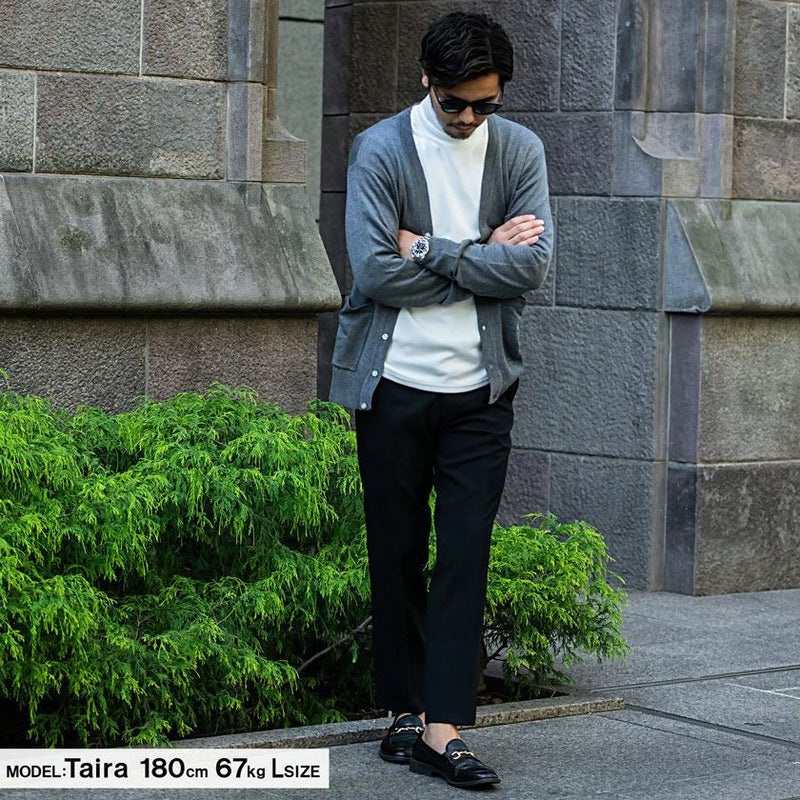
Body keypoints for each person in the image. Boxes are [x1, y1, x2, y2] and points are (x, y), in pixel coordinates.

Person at [328, 10, 553, 789]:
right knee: (396, 550)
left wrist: (427, 246)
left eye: (484, 105)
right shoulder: (381, 149)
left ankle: (442, 729)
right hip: (392, 385)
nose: (467, 119)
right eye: (454, 102)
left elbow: (531, 269)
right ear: (426, 79)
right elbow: (373, 272)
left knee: (463, 553)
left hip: (480, 392)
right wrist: (484, 254)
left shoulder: (519, 151)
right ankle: (403, 708)